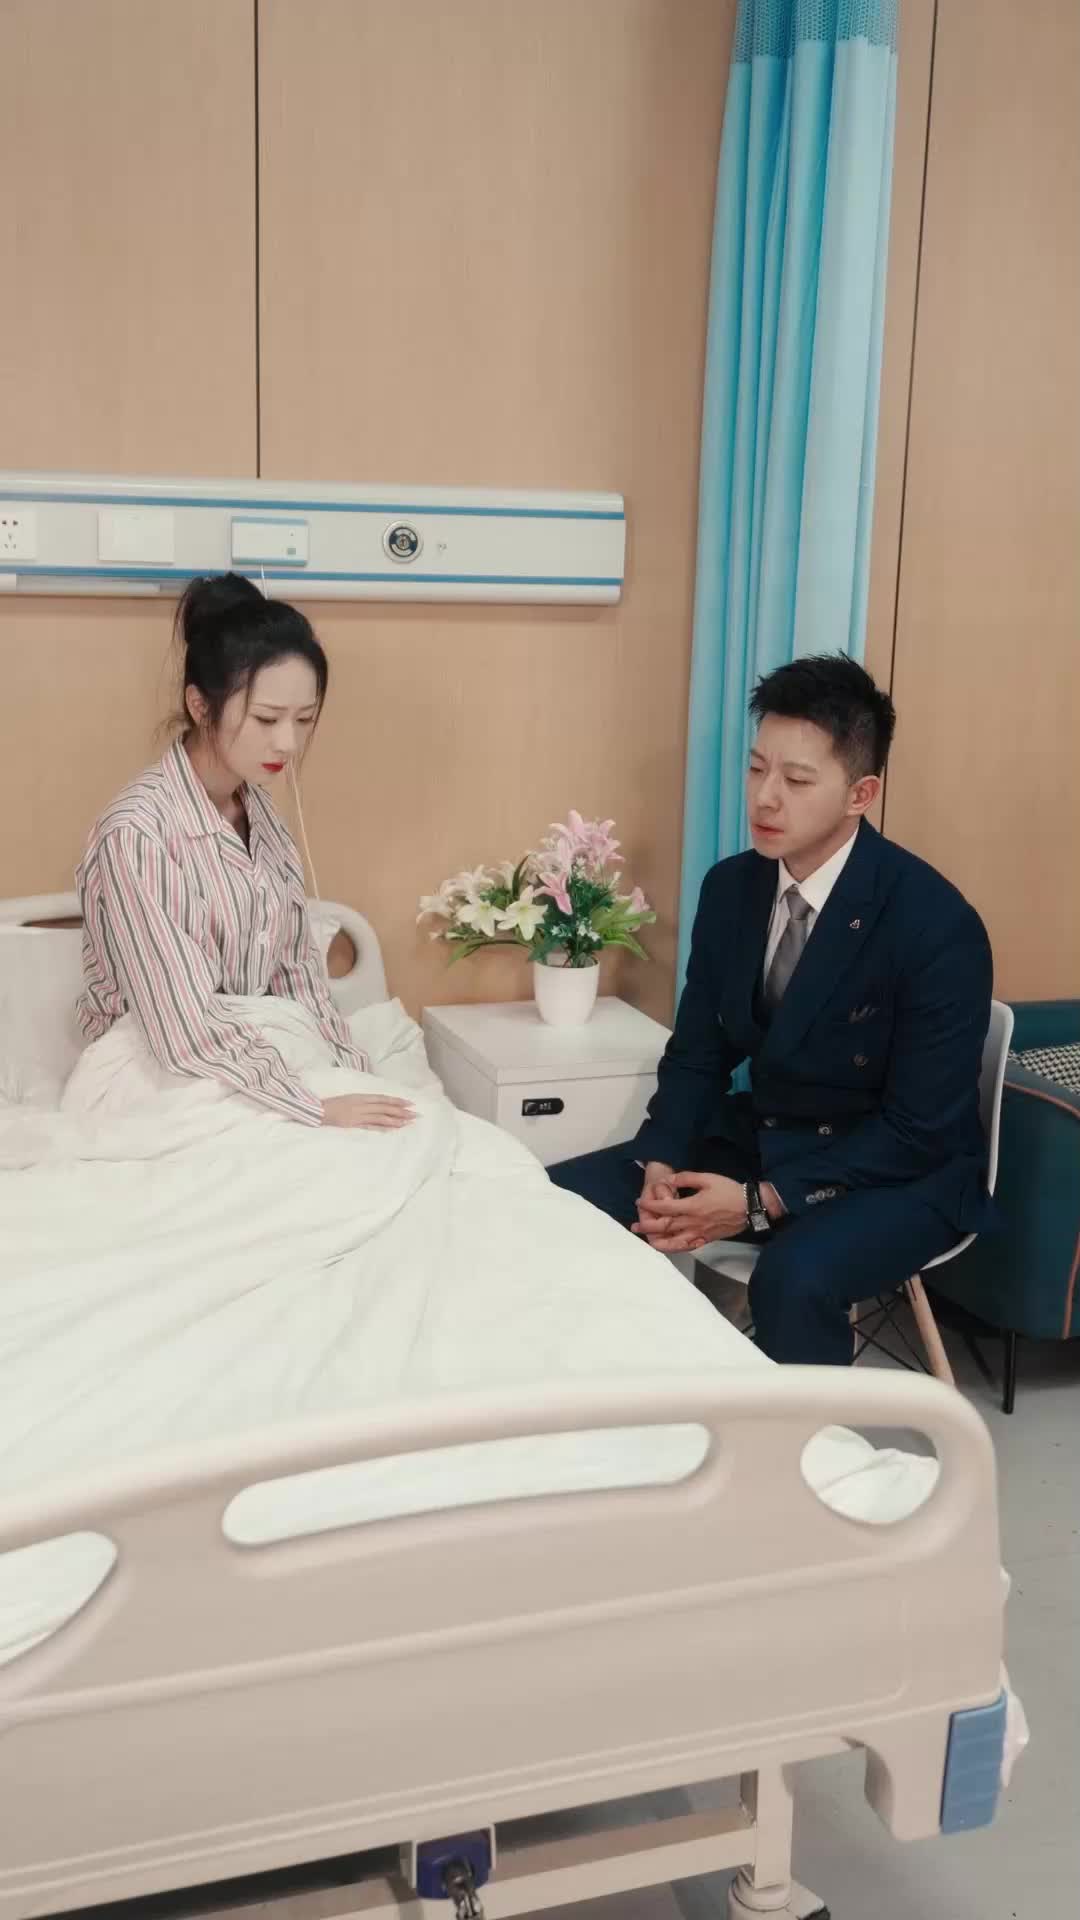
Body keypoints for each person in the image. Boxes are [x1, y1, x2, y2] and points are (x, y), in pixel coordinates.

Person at [549, 654, 994, 1365]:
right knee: (558, 1203)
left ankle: (810, 1439)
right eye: (757, 769)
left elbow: (920, 1130)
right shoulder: (733, 889)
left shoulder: (934, 924)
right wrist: (662, 1156)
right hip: (772, 1135)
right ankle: (599, 1412)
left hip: (899, 1172)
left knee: (793, 1278)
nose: (765, 798)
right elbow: (698, 1052)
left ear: (861, 793)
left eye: (797, 780)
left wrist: (759, 1202)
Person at [76, 573, 414, 1133]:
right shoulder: (137, 834)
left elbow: (298, 978)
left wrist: (352, 1075)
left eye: (304, 719)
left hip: (256, 1055)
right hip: (153, 1071)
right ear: (200, 705)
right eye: (266, 719)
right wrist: (310, 1105)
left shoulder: (264, 821)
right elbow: (180, 1026)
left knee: (400, 1138)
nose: (288, 742)